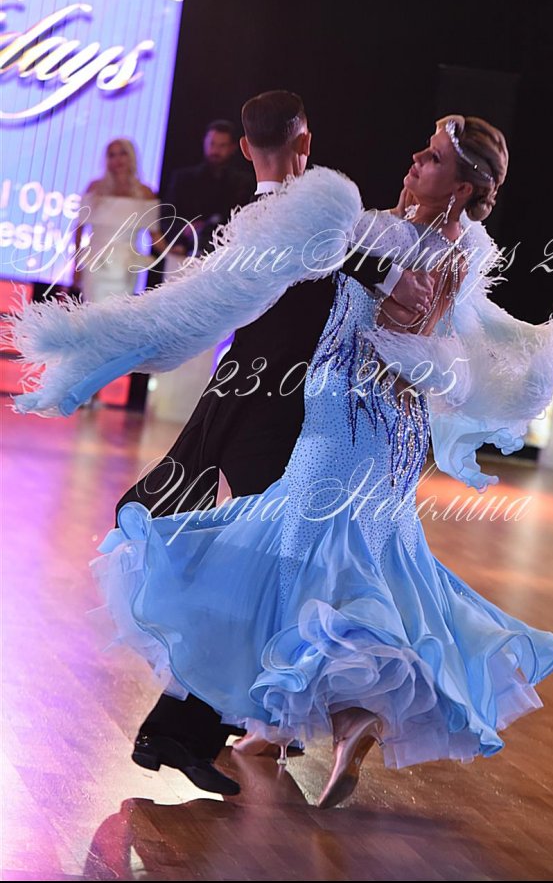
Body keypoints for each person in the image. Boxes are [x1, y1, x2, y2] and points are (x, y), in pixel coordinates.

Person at [9, 111, 553, 808]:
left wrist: (350, 250)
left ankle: (328, 716)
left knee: (287, 561)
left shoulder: (392, 238)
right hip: (393, 435)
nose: (414, 159)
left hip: (345, 423)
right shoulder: (445, 244)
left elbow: (362, 293)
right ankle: (288, 719)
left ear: (460, 188)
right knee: (348, 565)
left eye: (432, 158)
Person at [117, 90, 435, 794]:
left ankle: (205, 726)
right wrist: (395, 278)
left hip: (242, 397)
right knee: (251, 565)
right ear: (305, 143)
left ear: (246, 147)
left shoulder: (252, 218)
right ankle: (190, 726)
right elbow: (343, 257)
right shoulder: (312, 219)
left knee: (251, 563)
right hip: (277, 411)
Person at [73, 138, 161, 303]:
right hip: (96, 262)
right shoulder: (94, 188)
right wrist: (75, 265)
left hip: (125, 265)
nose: (118, 160)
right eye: (112, 155)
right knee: (92, 309)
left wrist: (177, 253)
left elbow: (155, 235)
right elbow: (78, 229)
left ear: (131, 156)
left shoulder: (146, 193)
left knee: (118, 311)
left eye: (122, 154)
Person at [160, 119, 254, 261]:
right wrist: (185, 228)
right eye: (212, 144)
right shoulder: (183, 179)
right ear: (204, 142)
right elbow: (165, 217)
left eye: (222, 145)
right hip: (183, 255)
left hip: (226, 257)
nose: (215, 151)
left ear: (233, 148)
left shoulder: (243, 183)